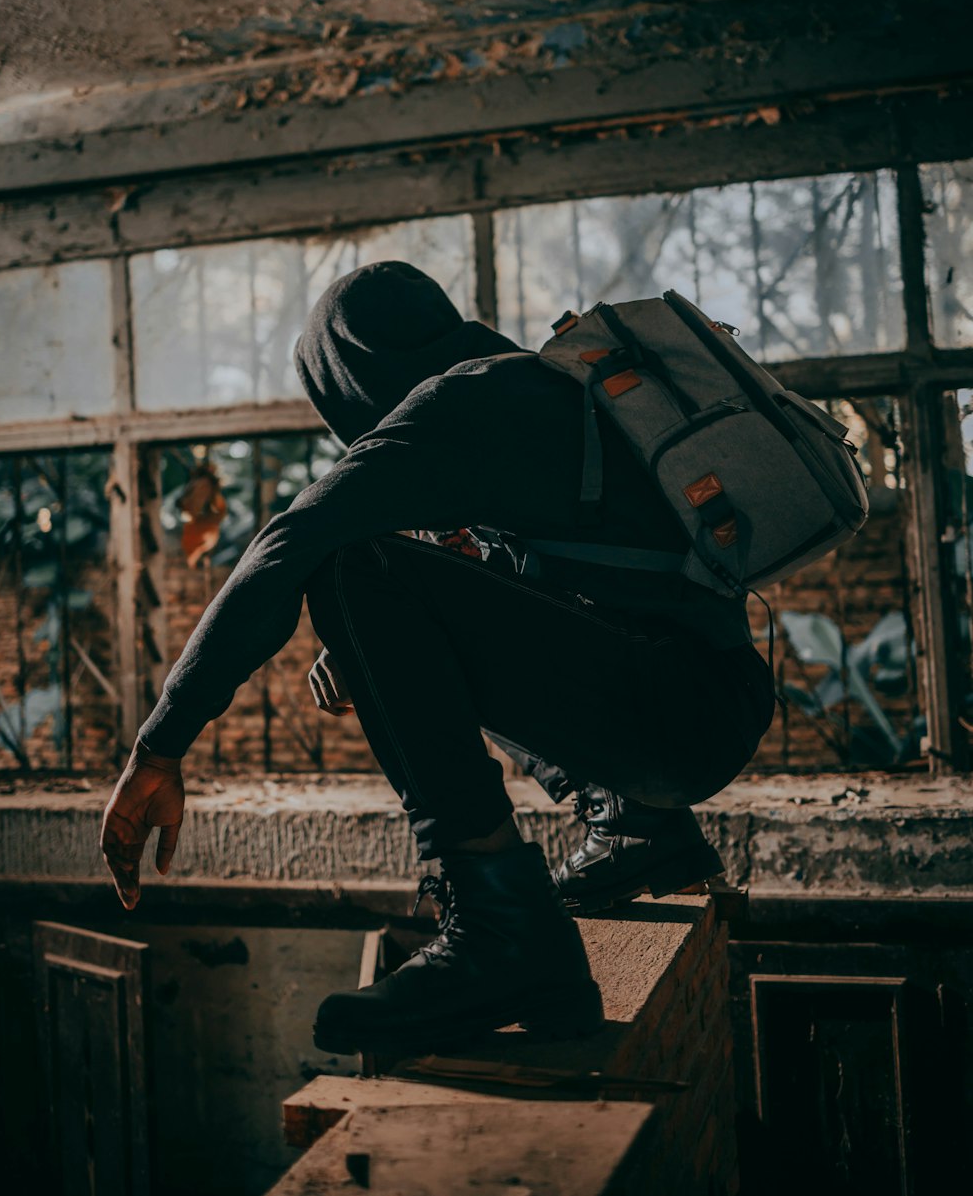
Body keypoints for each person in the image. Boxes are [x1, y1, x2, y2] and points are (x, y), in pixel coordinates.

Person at [100, 260, 775, 1056]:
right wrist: (388, 650)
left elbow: (287, 544)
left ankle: (501, 929)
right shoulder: (537, 384)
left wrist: (160, 744)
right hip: (698, 702)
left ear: (351, 380)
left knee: (353, 564)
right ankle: (638, 825)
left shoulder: (456, 402)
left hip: (674, 710)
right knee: (402, 580)